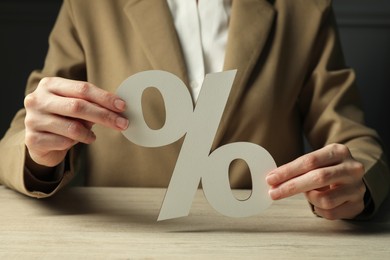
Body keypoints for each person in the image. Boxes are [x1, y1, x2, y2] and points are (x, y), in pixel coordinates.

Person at [0, 0, 389, 221]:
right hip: (127, 240)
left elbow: (355, 141)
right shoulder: (89, 7)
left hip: (262, 244)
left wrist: (358, 185)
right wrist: (39, 155)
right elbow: (19, 137)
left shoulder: (305, 10)